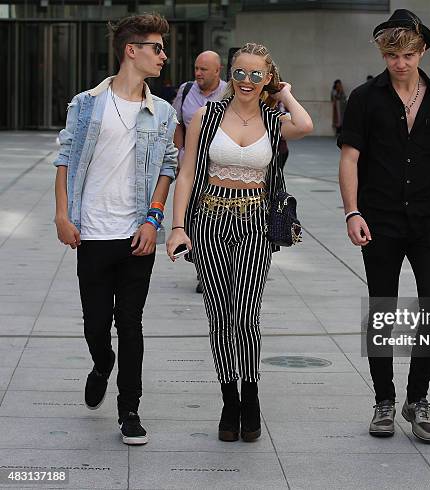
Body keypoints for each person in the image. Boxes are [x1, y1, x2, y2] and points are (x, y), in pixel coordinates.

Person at [166, 43, 313, 442]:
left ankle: (251, 395)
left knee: (245, 314)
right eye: (239, 73)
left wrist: (284, 93)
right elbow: (186, 173)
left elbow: (307, 124)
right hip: (209, 221)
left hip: (254, 224)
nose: (246, 82)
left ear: (267, 77)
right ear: (230, 75)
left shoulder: (273, 117)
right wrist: (178, 227)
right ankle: (228, 398)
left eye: (256, 75)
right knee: (219, 316)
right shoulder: (206, 115)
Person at [53, 13, 178, 445]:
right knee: (95, 325)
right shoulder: (87, 103)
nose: (164, 55)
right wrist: (62, 214)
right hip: (91, 233)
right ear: (132, 50)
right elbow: (65, 158)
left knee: (131, 323)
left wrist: (153, 218)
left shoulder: (162, 111)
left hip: (135, 234)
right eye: (156, 47)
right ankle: (101, 363)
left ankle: (130, 410)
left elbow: (167, 167)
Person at [338, 9, 430, 443]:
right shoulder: (365, 98)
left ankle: (417, 398)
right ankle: (384, 401)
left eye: (407, 54)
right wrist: (353, 212)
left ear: (422, 50)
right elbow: (349, 157)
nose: (400, 63)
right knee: (383, 310)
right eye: (391, 55)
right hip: (380, 219)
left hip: (427, 219)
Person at [172, 50, 227, 293]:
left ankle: (223, 269)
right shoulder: (186, 90)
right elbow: (176, 123)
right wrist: (179, 153)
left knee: (218, 221)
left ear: (218, 70)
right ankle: (204, 272)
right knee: (195, 219)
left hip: (219, 168)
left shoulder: (230, 92)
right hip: (190, 167)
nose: (198, 73)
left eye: (204, 69)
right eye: (196, 68)